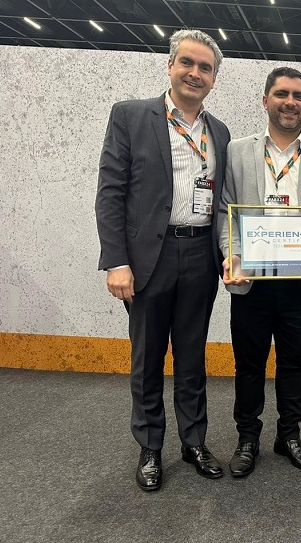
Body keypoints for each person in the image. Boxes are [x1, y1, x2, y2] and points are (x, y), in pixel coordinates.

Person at [95, 29, 230, 491]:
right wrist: (116, 261)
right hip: (147, 258)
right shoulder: (131, 117)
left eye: (205, 67)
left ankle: (194, 442)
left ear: (214, 78)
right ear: (169, 66)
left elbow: (222, 201)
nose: (195, 73)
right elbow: (110, 193)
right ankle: (151, 448)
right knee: (148, 357)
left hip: (200, 254)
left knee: (192, 357)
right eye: (187, 63)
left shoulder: (220, 132)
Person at [218, 67, 301, 477]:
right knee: (249, 364)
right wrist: (229, 256)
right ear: (265, 100)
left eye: (298, 95)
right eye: (281, 94)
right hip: (251, 282)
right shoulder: (237, 151)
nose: (290, 102)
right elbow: (225, 212)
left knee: (293, 363)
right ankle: (247, 438)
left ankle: (289, 435)